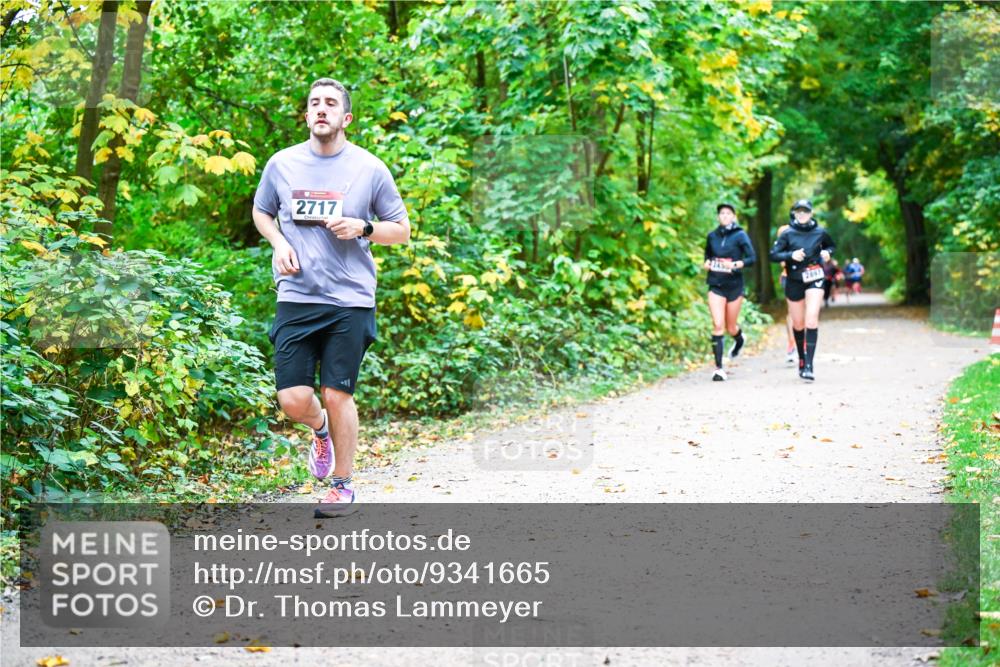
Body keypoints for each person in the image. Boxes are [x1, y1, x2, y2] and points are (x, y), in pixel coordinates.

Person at [252, 78, 410, 517]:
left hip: (351, 298)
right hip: (297, 295)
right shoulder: (281, 164)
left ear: (346, 118)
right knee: (293, 399)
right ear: (306, 115)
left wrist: (363, 227)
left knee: (337, 391)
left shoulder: (369, 168)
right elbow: (262, 211)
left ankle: (342, 485)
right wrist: (278, 243)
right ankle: (319, 429)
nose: (321, 109)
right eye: (314, 103)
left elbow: (402, 230)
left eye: (330, 104)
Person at [769, 199, 835, 381]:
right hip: (794, 279)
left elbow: (831, 245)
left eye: (805, 211)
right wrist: (791, 255)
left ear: (811, 213)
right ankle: (801, 358)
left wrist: (827, 253)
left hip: (815, 276)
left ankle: (809, 366)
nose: (802, 214)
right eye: (798, 211)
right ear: (794, 214)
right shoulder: (787, 233)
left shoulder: (820, 232)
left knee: (811, 319)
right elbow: (773, 255)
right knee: (798, 324)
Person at [703, 202, 756, 381]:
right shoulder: (712, 236)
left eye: (728, 213)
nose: (724, 216)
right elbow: (708, 256)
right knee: (718, 325)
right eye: (721, 213)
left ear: (733, 216)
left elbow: (752, 258)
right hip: (716, 284)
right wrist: (707, 263)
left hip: (734, 285)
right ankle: (718, 368)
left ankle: (739, 339)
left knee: (731, 327)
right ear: (718, 217)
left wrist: (735, 264)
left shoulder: (740, 235)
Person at [775, 224, 797, 364]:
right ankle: (791, 344)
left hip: (805, 277)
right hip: (788, 277)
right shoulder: (783, 231)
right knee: (792, 312)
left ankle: (803, 342)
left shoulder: (803, 233)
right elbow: (781, 261)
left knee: (805, 311)